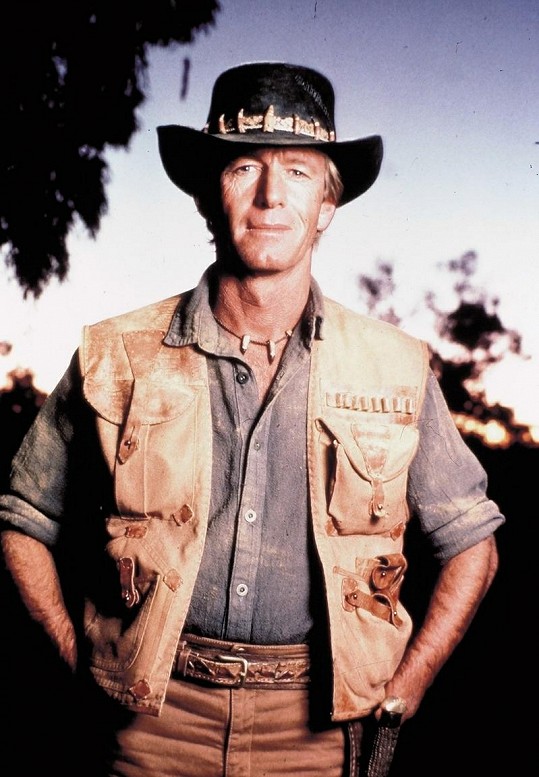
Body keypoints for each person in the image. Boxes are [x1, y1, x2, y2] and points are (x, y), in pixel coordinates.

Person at [0, 62, 504, 777]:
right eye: (244, 168)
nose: (271, 195)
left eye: (298, 172)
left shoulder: (393, 364)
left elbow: (472, 546)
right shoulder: (117, 352)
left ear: (326, 206)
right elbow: (23, 518)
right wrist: (76, 656)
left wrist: (409, 682)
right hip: (151, 724)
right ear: (209, 195)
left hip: (318, 732)